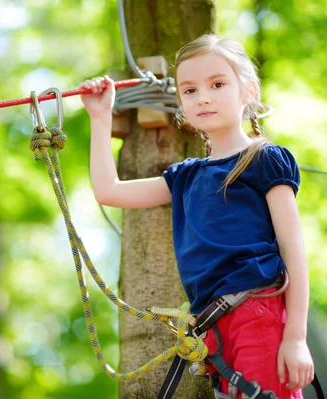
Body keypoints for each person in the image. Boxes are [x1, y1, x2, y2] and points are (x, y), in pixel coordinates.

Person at [79, 34, 314, 399]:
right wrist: (100, 116)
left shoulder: (264, 159)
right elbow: (109, 191)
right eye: (189, 90)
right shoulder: (186, 176)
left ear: (247, 91)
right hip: (213, 330)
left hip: (259, 314)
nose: (202, 97)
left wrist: (296, 337)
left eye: (217, 84)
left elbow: (294, 252)